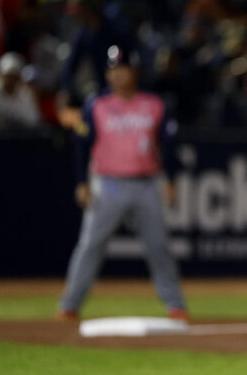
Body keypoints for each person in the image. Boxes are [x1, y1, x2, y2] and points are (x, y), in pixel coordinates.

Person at [57, 46, 188, 321]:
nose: (117, 74)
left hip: (146, 184)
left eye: (122, 68)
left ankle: (175, 304)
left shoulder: (153, 104)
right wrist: (82, 182)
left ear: (135, 71)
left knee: (158, 245)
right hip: (108, 184)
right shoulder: (97, 104)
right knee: (91, 244)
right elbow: (82, 145)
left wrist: (171, 180)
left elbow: (168, 146)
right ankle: (70, 304)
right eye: (112, 69)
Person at [0, 52, 41, 130]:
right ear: (1, 75)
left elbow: (33, 122)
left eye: (14, 76)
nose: (11, 80)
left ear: (19, 77)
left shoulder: (25, 94)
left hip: (18, 139)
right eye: (8, 76)